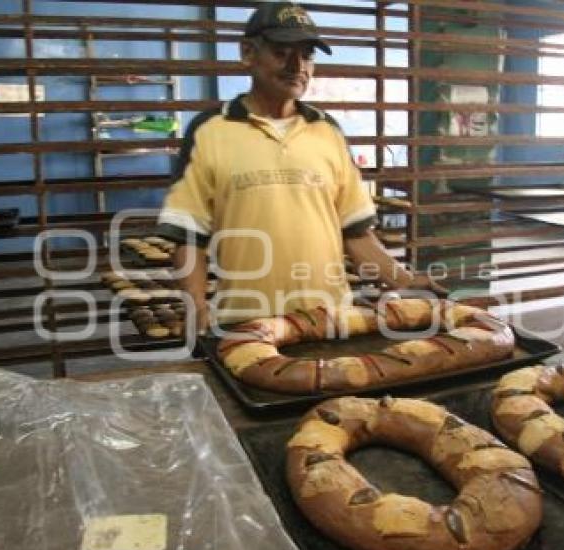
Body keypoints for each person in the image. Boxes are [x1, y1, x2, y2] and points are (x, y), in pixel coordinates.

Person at [157, 2, 445, 335]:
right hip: (247, 323)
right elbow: (189, 236)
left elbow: (356, 234)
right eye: (282, 52)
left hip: (332, 320)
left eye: (307, 55)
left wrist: (406, 281)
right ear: (248, 52)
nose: (298, 66)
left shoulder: (328, 132)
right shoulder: (210, 131)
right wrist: (196, 309)